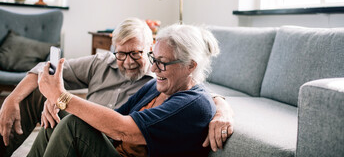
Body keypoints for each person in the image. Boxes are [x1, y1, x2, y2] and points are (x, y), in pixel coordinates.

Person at [0, 18, 233, 157]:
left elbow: (124, 130)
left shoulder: (191, 102)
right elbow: (117, 116)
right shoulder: (159, 87)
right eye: (155, 59)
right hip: (112, 147)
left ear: (190, 66)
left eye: (162, 62)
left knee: (72, 125)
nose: (154, 68)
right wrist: (54, 102)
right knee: (60, 117)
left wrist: (62, 97)